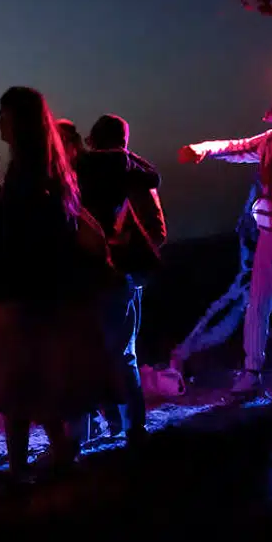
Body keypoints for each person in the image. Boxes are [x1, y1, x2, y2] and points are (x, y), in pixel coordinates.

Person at [0, 87, 119, 479]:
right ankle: (60, 457)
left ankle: (20, 471)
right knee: (38, 382)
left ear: (17, 121)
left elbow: (20, 234)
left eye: (3, 114)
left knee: (16, 385)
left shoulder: (25, 174)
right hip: (44, 291)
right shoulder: (47, 171)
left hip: (19, 291)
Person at [179, 87, 272, 394]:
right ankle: (251, 371)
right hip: (270, 237)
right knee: (257, 305)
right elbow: (235, 146)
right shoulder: (270, 142)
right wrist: (201, 149)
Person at [76, 114, 166, 443]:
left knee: (88, 353)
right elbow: (157, 231)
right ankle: (132, 427)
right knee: (123, 354)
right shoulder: (133, 175)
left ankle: (94, 428)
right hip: (123, 276)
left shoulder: (81, 171)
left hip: (94, 275)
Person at [157, 180, 260, 377]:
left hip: (238, 237)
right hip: (234, 240)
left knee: (234, 299)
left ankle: (182, 353)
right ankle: (181, 353)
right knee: (229, 298)